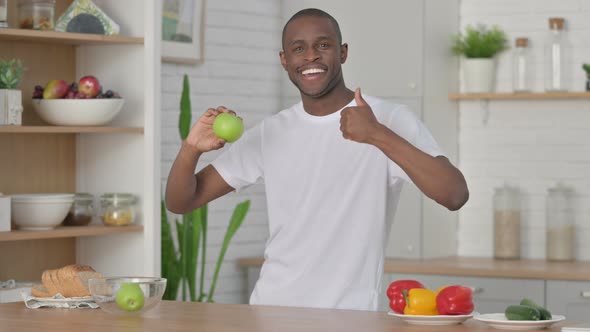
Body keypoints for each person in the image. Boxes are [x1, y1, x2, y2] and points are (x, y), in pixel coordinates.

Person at [165, 8, 469, 311]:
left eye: (323, 45)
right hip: (271, 312)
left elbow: (454, 193)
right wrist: (192, 148)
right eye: (298, 49)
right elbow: (181, 201)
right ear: (285, 60)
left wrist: (377, 134)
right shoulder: (270, 132)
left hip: (351, 318)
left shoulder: (389, 119)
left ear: (343, 52)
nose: (310, 56)